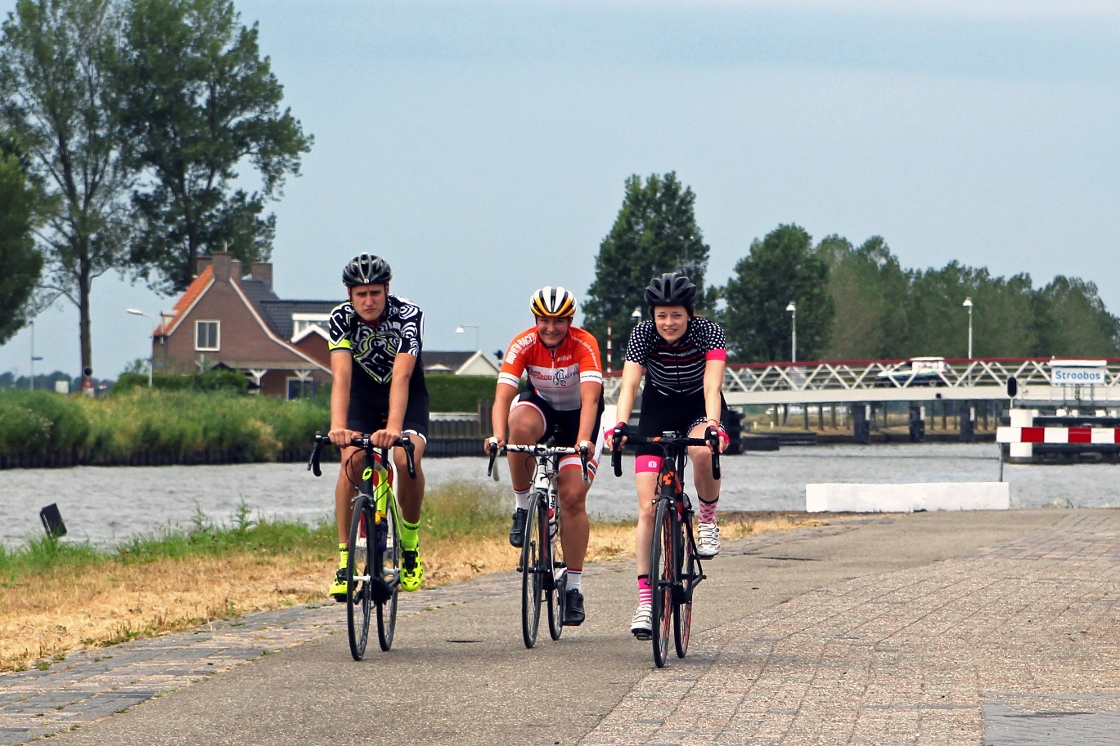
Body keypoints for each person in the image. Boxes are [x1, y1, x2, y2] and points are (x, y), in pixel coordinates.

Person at [610, 272, 729, 639]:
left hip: (698, 405)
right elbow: (629, 384)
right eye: (662, 315)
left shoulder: (709, 332)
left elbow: (713, 382)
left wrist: (712, 425)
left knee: (703, 453)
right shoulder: (642, 334)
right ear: (653, 315)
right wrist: (619, 425)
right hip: (658, 407)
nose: (669, 323)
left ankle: (707, 520)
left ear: (688, 314)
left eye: (676, 314)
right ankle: (645, 602)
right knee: (648, 509)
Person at [484, 286, 605, 626]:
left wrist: (583, 441)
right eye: (544, 320)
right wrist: (498, 436)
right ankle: (523, 507)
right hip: (541, 409)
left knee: (571, 498)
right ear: (535, 319)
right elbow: (502, 397)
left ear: (570, 320)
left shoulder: (584, 344)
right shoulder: (523, 343)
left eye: (559, 321)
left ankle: (574, 588)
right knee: (518, 427)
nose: (550, 327)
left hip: (581, 416)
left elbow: (592, 400)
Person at [327, 253, 429, 599]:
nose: (368, 301)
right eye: (360, 294)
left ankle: (411, 548)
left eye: (375, 292)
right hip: (363, 396)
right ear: (349, 295)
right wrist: (338, 426)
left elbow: (402, 375)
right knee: (351, 461)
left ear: (387, 290)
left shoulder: (409, 315)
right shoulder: (340, 319)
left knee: (406, 459)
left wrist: (396, 429)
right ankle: (344, 562)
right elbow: (341, 377)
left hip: (408, 395)